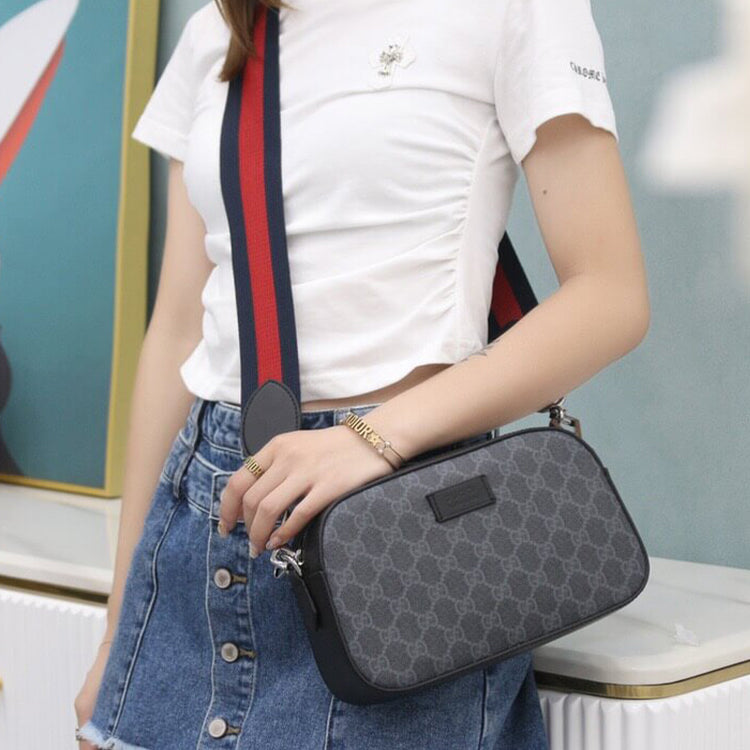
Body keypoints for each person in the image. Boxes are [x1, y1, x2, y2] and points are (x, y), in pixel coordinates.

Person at [75, 0, 649, 747]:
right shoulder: (220, 31)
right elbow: (179, 331)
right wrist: (118, 630)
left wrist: (367, 439)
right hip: (203, 519)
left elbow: (611, 296)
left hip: (402, 536)